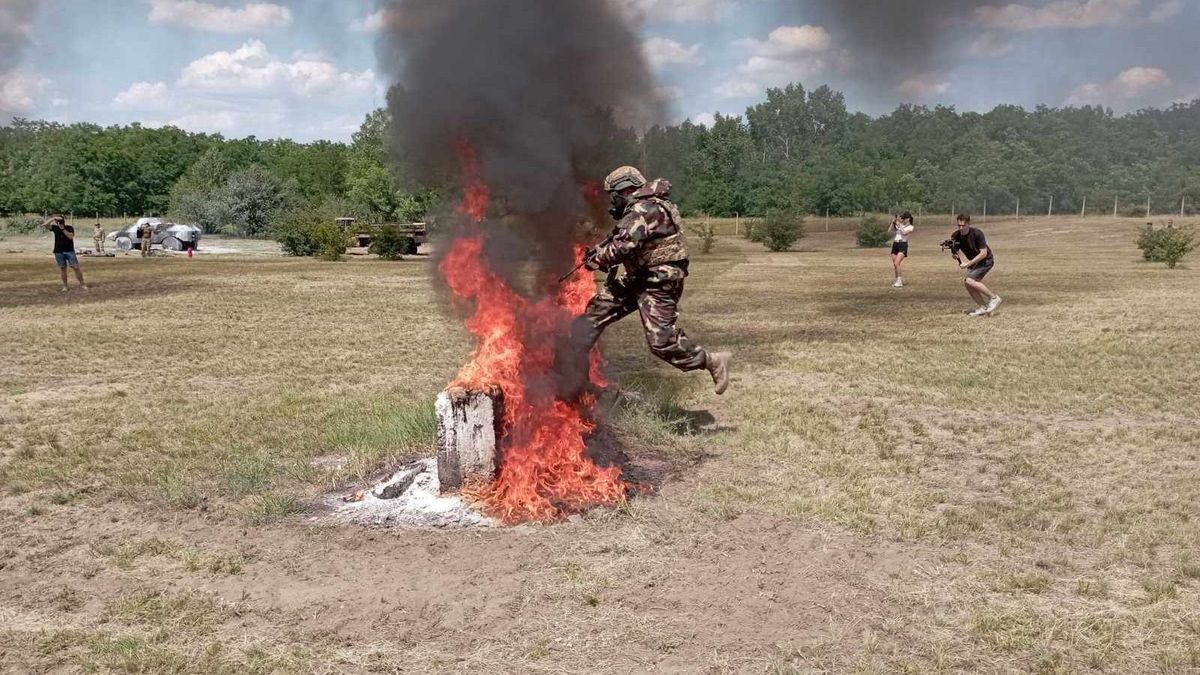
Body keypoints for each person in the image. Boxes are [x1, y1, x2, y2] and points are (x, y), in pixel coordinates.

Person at [571, 166, 731, 394]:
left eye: (613, 196)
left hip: (659, 282)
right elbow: (622, 240)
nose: (611, 202)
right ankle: (576, 384)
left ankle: (712, 360)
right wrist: (599, 251)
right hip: (640, 278)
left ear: (625, 190)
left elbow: (623, 247)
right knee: (591, 317)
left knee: (661, 342)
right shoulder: (644, 207)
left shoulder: (644, 209)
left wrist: (597, 260)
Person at [950, 213, 1001, 316]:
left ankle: (994, 298)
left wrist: (968, 263)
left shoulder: (977, 234)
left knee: (970, 280)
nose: (961, 228)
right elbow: (956, 251)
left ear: (968, 224)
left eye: (963, 226)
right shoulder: (956, 235)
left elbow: (983, 253)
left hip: (986, 260)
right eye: (959, 225)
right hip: (975, 262)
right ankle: (983, 307)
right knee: (968, 284)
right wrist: (955, 256)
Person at [44, 215, 88, 292]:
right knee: (62, 268)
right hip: (58, 251)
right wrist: (53, 218)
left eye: (60, 221)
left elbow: (70, 237)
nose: (59, 222)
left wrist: (63, 229)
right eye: (57, 221)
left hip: (69, 250)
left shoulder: (69, 227)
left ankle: (82, 284)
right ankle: (65, 286)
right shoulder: (55, 228)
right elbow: (45, 225)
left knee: (75, 267)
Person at [889, 212, 914, 287]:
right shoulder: (901, 225)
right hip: (895, 244)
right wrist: (893, 222)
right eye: (902, 218)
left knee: (897, 263)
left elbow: (904, 233)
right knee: (895, 265)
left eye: (904, 218)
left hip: (902, 245)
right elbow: (890, 230)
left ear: (908, 219)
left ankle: (899, 282)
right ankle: (897, 280)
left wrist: (899, 224)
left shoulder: (911, 227)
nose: (902, 220)